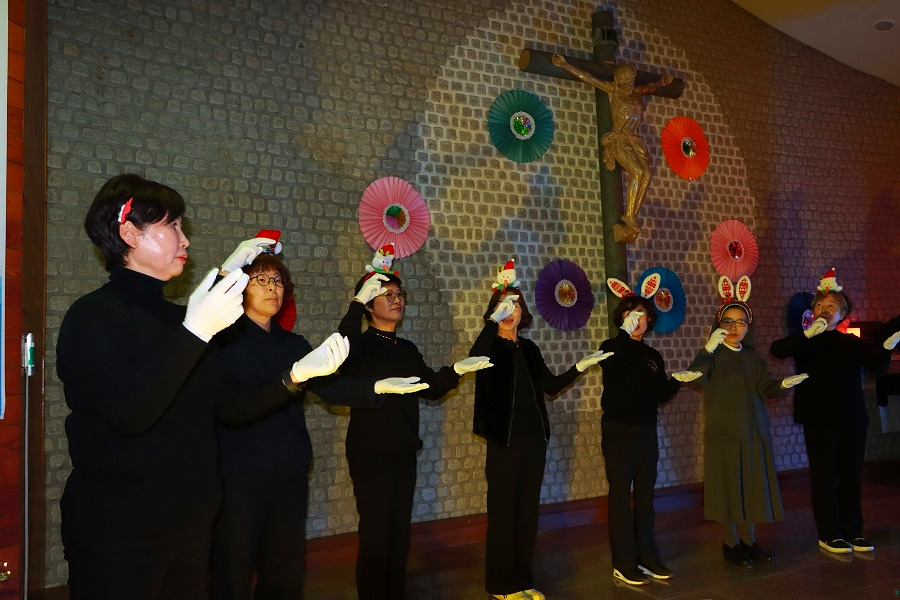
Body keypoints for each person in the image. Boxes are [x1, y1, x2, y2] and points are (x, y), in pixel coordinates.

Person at [56, 174, 272, 598]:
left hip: (190, 526)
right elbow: (129, 413)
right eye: (172, 225)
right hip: (120, 531)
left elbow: (225, 406)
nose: (185, 239)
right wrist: (196, 330)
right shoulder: (93, 316)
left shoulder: (177, 321)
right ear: (130, 233)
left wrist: (294, 377)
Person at [209, 253, 427, 600]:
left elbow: (331, 387)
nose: (272, 288)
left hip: (289, 473)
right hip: (239, 475)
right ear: (240, 287)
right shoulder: (223, 340)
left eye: (278, 281)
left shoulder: (293, 344)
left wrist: (377, 387)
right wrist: (291, 377)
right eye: (262, 280)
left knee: (284, 570)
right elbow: (235, 407)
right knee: (232, 571)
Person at [337, 268, 493, 600]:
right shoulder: (358, 344)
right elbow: (342, 342)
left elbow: (430, 388)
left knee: (398, 534)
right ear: (369, 305)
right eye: (387, 295)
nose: (397, 301)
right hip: (371, 453)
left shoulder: (406, 348)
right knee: (377, 535)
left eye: (400, 295)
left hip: (403, 450)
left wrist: (456, 370)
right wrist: (357, 300)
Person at [469, 264, 612, 600]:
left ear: (523, 312)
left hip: (534, 441)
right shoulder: (489, 347)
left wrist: (581, 366)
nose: (510, 311)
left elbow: (550, 386)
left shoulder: (530, 349)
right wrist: (491, 323)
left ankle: (522, 581)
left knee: (526, 514)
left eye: (515, 305)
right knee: (504, 514)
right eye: (502, 306)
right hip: (503, 442)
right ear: (493, 312)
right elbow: (474, 358)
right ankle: (501, 586)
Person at [770, 269, 900, 554]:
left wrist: (887, 348)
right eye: (820, 304)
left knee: (851, 475)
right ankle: (829, 534)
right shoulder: (805, 341)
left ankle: (853, 532)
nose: (825, 309)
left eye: (832, 306)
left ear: (842, 315)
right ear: (812, 311)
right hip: (818, 417)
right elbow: (777, 349)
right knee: (824, 476)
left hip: (852, 417)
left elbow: (875, 367)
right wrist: (808, 334)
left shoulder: (851, 343)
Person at [685, 282, 808, 568]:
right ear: (719, 324)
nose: (734, 327)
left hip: (753, 433)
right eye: (728, 321)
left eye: (740, 322)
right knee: (728, 490)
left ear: (748, 327)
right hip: (724, 434)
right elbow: (696, 377)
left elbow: (766, 387)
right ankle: (731, 543)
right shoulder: (712, 355)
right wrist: (707, 349)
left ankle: (750, 541)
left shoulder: (753, 357)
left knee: (750, 489)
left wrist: (783, 385)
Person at [595, 283, 696, 586]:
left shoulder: (652, 355)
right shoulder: (611, 347)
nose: (636, 319)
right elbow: (615, 369)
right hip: (618, 429)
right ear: (621, 319)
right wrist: (623, 336)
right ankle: (623, 562)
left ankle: (648, 558)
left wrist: (677, 380)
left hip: (646, 430)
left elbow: (660, 394)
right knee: (619, 495)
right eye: (629, 314)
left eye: (640, 314)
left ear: (649, 319)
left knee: (645, 496)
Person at [551, 54, 673, 243]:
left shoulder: (638, 92)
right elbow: (588, 78)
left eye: (632, 79)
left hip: (635, 140)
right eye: (627, 80)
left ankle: (631, 215)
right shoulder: (613, 91)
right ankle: (629, 216)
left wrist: (662, 82)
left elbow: (651, 87)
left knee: (647, 174)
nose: (631, 83)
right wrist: (565, 65)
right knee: (638, 172)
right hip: (620, 138)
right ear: (619, 80)